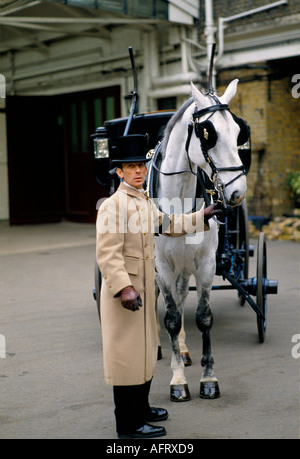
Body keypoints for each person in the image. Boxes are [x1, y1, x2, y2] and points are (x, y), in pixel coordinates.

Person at [96, 134, 220, 439]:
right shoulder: (113, 206)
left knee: (145, 352)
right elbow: (108, 255)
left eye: (141, 165)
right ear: (120, 172)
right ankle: (129, 425)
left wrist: (200, 217)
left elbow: (167, 224)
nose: (138, 171)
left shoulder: (143, 200)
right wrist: (124, 288)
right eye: (131, 167)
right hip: (126, 296)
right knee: (126, 359)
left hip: (144, 292)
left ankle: (142, 409)